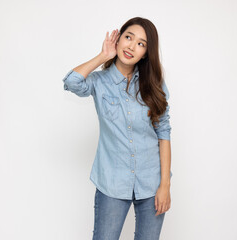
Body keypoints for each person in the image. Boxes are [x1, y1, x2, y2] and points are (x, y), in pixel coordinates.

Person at [62, 17, 173, 240]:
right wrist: (103, 56)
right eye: (128, 37)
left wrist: (165, 185)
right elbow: (71, 82)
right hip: (112, 183)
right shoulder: (99, 81)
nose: (132, 46)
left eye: (141, 43)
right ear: (118, 39)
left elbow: (164, 133)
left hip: (151, 183)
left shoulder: (154, 83)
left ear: (146, 53)